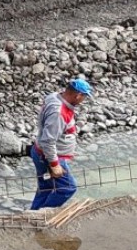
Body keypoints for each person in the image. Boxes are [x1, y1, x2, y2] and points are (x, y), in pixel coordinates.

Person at [29, 78, 93, 210]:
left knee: (45, 187)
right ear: (78, 95)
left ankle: (33, 211)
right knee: (68, 188)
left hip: (39, 151)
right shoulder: (59, 113)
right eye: (84, 97)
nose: (83, 101)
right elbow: (48, 141)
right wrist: (55, 165)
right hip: (49, 157)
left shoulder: (54, 96)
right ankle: (43, 213)